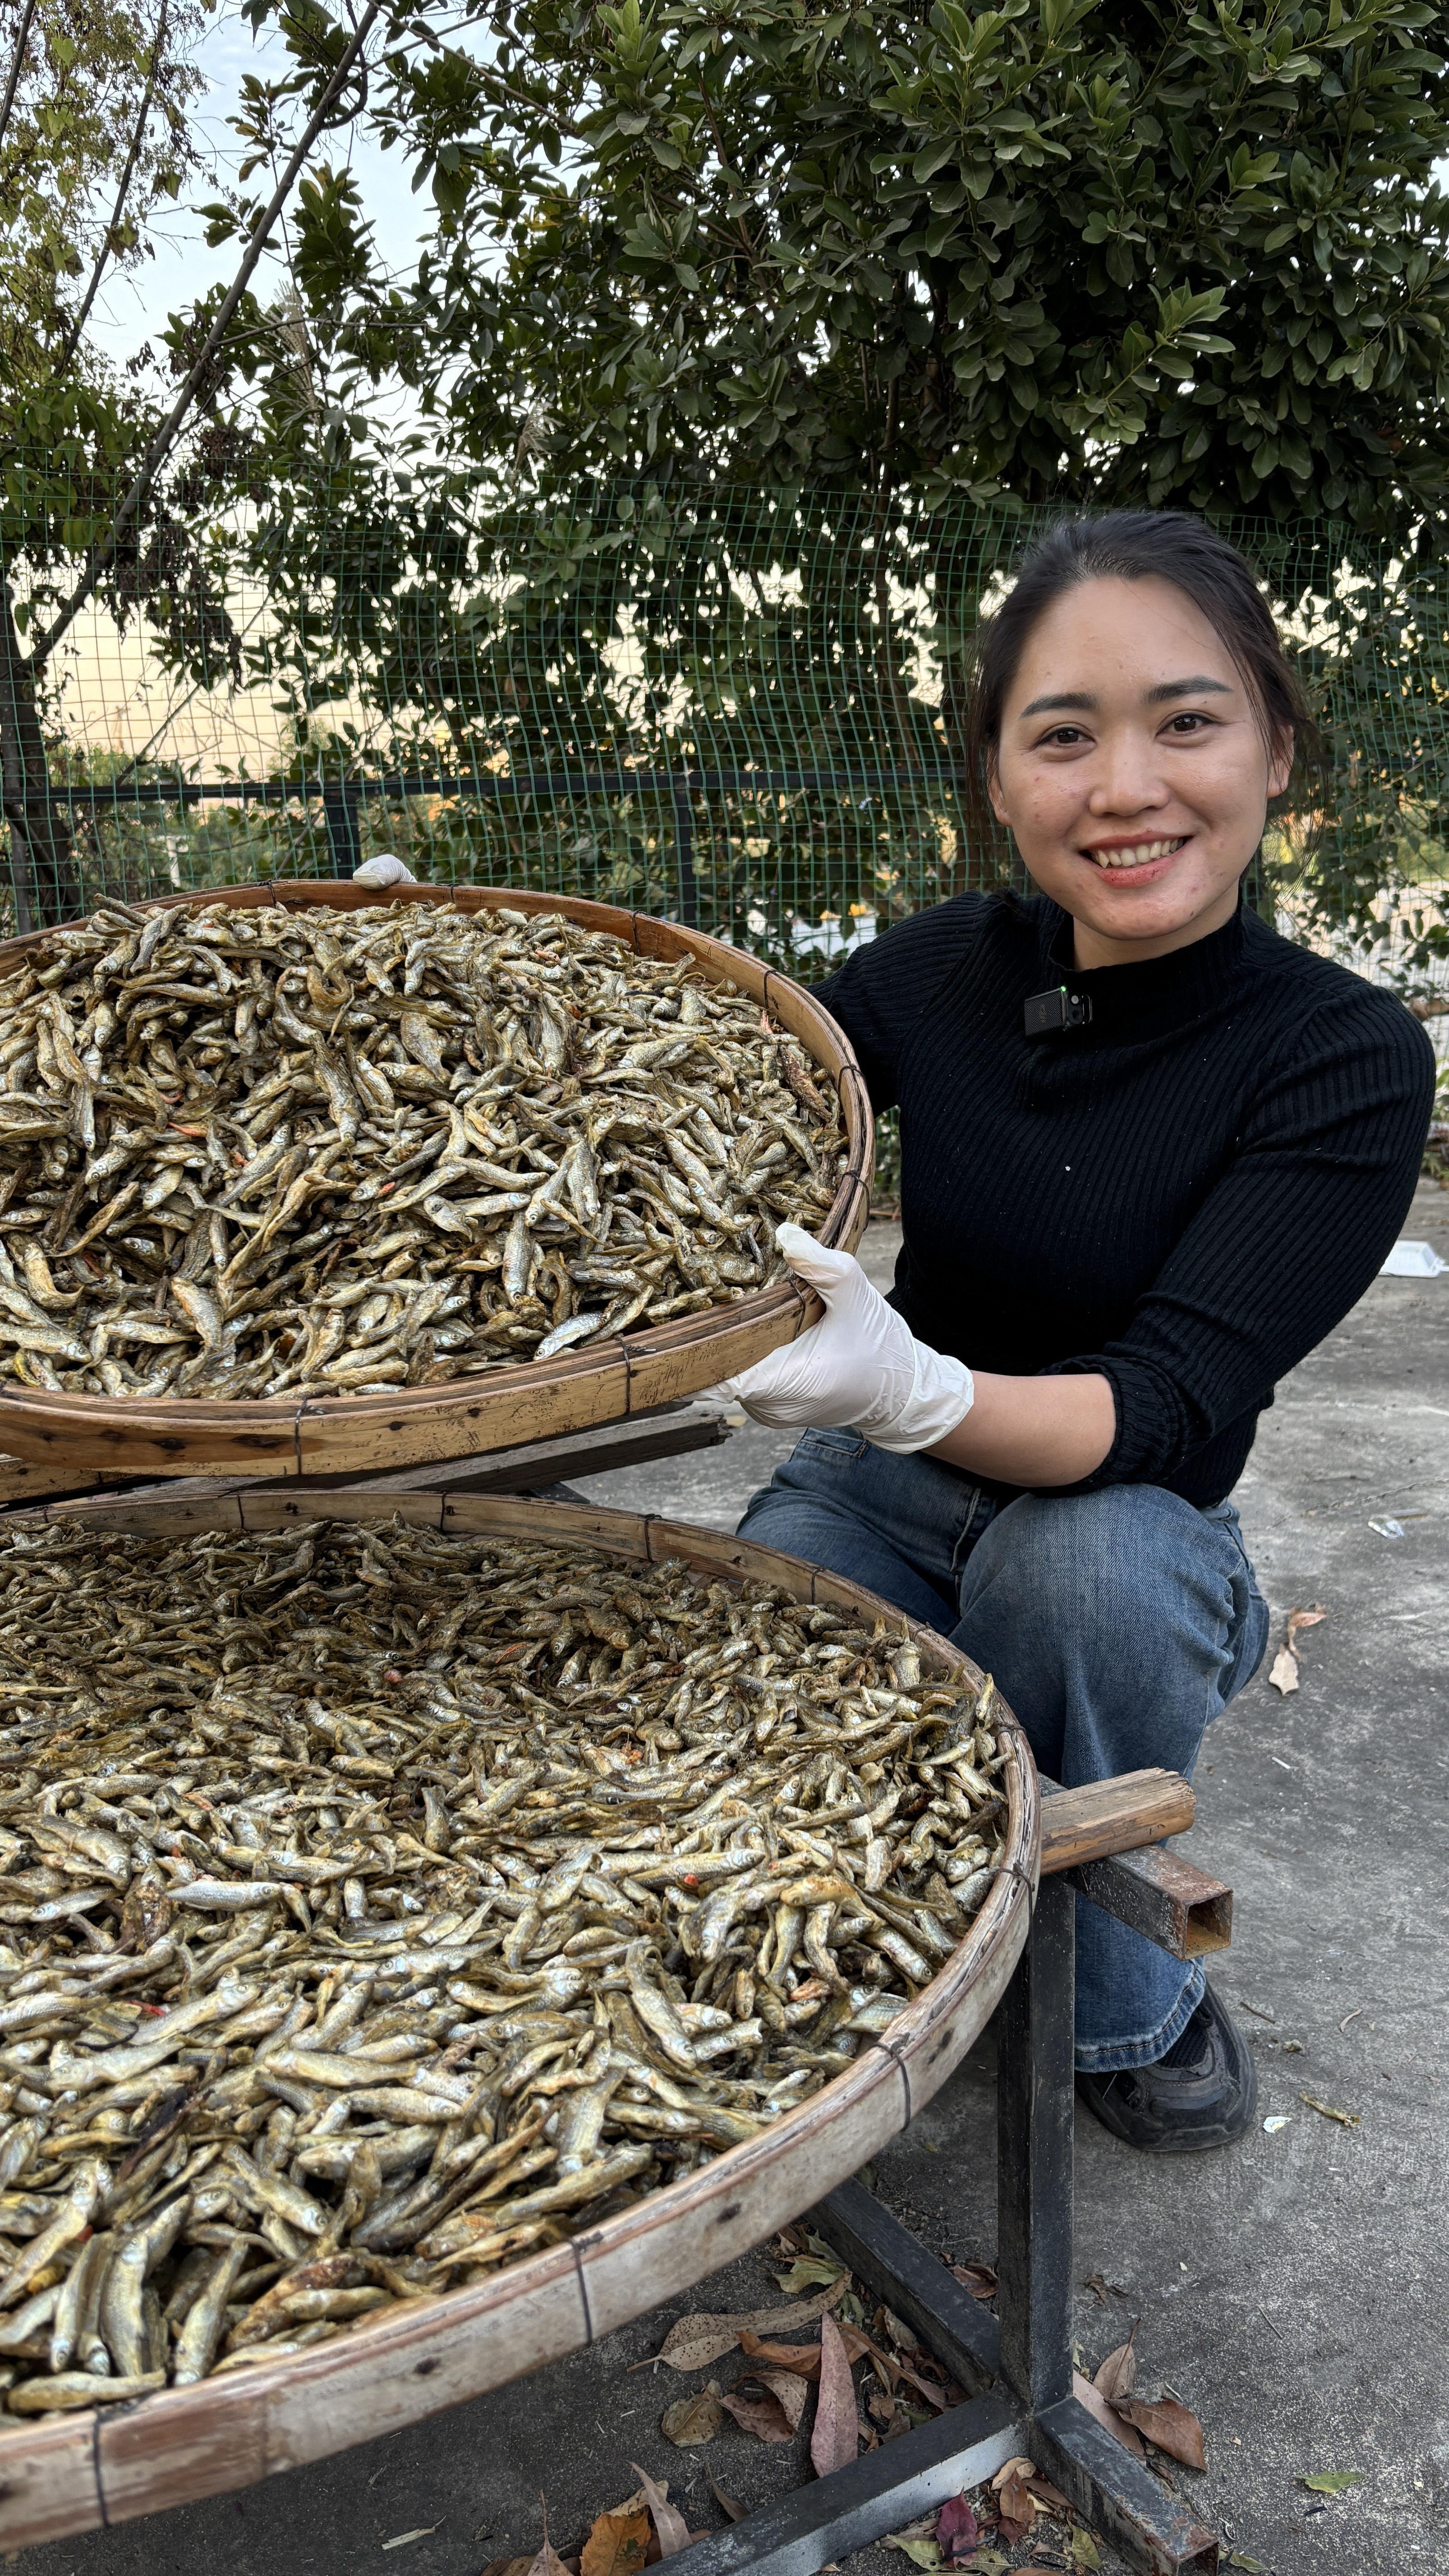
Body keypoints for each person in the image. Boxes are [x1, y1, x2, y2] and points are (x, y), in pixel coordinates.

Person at [725, 511, 1436, 2153]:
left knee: (1081, 1585)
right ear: (996, 778)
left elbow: (1166, 1401)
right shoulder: (940, 971)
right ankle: (900, 1947)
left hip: (1124, 1515)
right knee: (763, 1676)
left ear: (1274, 750)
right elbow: (720, 1087)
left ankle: (1128, 2010)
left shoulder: (1338, 1055)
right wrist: (466, 977)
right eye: (1063, 737)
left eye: (1186, 722)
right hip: (878, 1497)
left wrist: (908, 1388)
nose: (1125, 788)